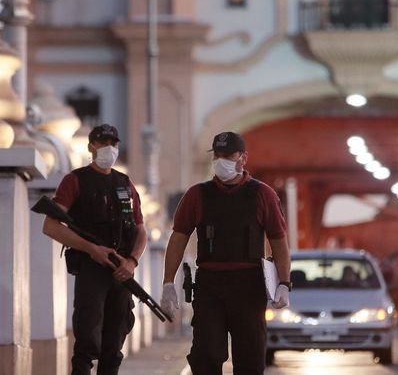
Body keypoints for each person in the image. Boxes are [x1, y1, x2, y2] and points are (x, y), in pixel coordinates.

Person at [160, 131, 291, 375]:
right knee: (205, 357)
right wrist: (168, 282)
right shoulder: (197, 195)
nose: (222, 161)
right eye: (217, 155)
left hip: (249, 285)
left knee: (250, 360)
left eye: (228, 155)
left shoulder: (263, 195)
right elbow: (178, 239)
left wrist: (284, 283)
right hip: (210, 285)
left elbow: (279, 241)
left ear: (243, 158)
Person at [42, 123, 146, 375]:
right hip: (91, 268)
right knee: (87, 338)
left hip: (121, 270)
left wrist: (131, 261)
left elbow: (141, 229)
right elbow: (51, 226)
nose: (109, 148)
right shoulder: (75, 180)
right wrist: (91, 249)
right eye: (103, 143)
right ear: (91, 146)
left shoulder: (125, 183)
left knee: (115, 342)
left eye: (114, 143)